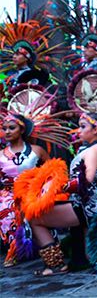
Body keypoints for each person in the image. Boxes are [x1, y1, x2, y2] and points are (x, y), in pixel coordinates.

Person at [28, 111, 97, 276]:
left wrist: (56, 187)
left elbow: (85, 182)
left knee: (34, 218)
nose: (78, 131)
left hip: (86, 206)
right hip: (91, 203)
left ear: (96, 129)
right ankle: (77, 261)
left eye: (83, 127)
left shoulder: (93, 151)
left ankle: (54, 264)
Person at [0, 113, 50, 267]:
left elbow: (52, 172)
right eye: (4, 128)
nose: (7, 132)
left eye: (12, 128)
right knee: (7, 209)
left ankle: (46, 248)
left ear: (21, 130)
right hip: (8, 194)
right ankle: (14, 249)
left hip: (33, 192)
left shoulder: (37, 150)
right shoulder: (0, 155)